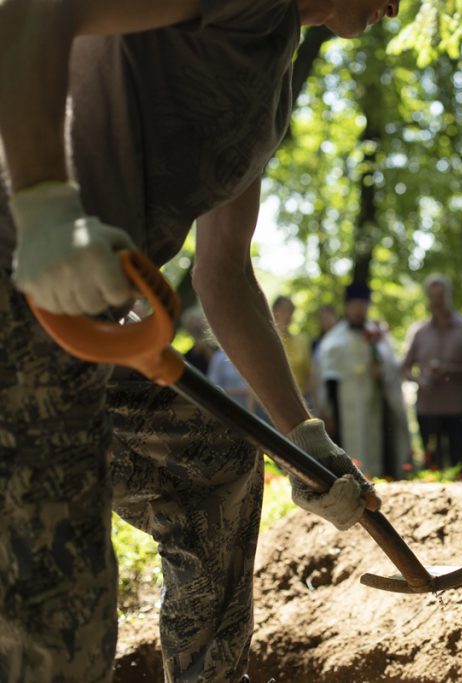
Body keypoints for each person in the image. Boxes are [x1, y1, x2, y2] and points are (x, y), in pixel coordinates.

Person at [0, 1, 398, 680]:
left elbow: (224, 272)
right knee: (57, 628)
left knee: (214, 463)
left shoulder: (272, 76)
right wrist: (44, 210)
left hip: (91, 327)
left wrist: (302, 437)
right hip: (19, 286)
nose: (398, 6)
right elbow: (34, 11)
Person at [314, 283, 410, 478]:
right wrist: (327, 410)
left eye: (362, 305)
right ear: (347, 307)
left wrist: (381, 370)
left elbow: (392, 366)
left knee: (379, 447)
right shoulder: (334, 339)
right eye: (354, 305)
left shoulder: (378, 335)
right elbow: (325, 378)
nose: (358, 310)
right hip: (345, 409)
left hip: (377, 407)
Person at [402, 274, 462, 472]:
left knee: (459, 463)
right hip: (427, 408)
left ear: (449, 296)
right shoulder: (419, 332)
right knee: (431, 464)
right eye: (432, 297)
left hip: (458, 407)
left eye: (441, 296)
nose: (437, 302)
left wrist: (450, 370)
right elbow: (405, 367)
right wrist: (420, 380)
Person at [272, 294, 313, 401]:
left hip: (302, 399)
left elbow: (309, 375)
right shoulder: (267, 341)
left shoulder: (302, 340)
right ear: (274, 312)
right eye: (283, 310)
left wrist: (315, 405)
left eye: (290, 311)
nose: (288, 315)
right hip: (274, 400)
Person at [182, 305, 217, 375]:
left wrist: (206, 350)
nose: (196, 328)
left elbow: (220, 368)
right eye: (194, 330)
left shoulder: (217, 350)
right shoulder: (187, 358)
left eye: (199, 329)